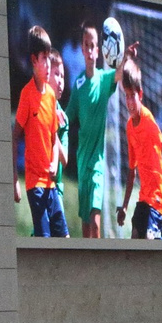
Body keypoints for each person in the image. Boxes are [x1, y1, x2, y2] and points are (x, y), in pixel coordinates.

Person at [66, 20, 122, 239]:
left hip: (97, 164)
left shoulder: (104, 78)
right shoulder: (78, 84)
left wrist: (124, 54)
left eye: (93, 46)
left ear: (99, 50)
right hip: (82, 162)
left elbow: (119, 73)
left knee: (96, 222)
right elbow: (68, 116)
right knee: (86, 225)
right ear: (82, 49)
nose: (90, 50)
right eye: (86, 45)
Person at [14, 25, 67, 238]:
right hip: (34, 184)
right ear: (33, 60)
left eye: (49, 57)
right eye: (44, 58)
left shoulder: (52, 96)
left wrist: (54, 163)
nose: (48, 64)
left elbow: (54, 139)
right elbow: (14, 136)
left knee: (64, 238)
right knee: (44, 241)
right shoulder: (26, 95)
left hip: (51, 184)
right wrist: (14, 181)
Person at [119, 64, 162, 240]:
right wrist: (123, 206)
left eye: (133, 96)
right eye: (126, 97)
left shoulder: (148, 120)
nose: (129, 102)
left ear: (141, 95)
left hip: (157, 200)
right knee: (135, 238)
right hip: (143, 199)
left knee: (149, 243)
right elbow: (131, 171)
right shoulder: (129, 128)